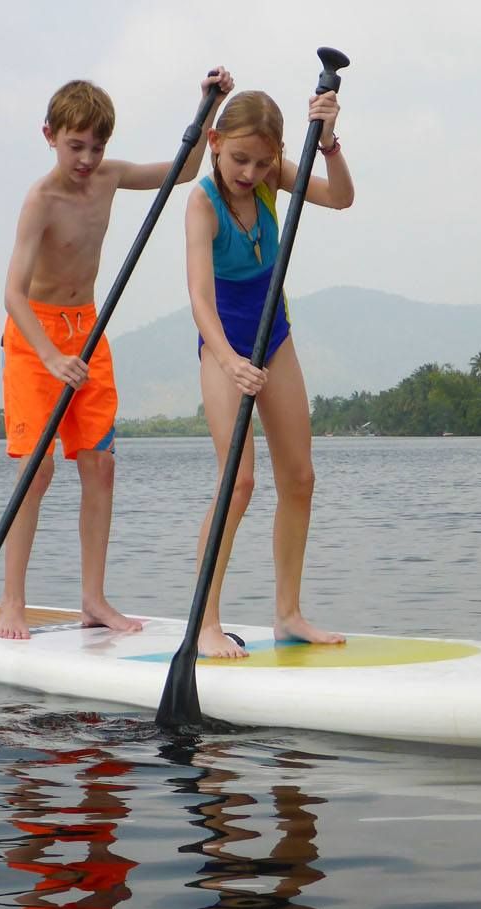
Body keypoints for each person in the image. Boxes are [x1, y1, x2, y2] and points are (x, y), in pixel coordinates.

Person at [0, 68, 235, 640]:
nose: (85, 158)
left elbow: (184, 171)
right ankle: (10, 603)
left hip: (90, 329)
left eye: (96, 146)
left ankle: (93, 599)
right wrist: (52, 357)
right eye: (75, 145)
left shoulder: (108, 177)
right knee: (37, 471)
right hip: (36, 338)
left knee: (100, 465)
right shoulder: (40, 200)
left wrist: (208, 105)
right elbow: (12, 292)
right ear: (49, 135)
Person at [184, 88, 355, 658]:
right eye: (239, 160)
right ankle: (205, 622)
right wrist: (231, 362)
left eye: (263, 161)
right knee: (239, 483)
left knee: (300, 478)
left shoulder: (272, 176)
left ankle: (287, 615)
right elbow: (200, 301)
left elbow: (342, 199)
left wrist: (328, 144)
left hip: (274, 334)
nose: (251, 172)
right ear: (214, 145)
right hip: (223, 344)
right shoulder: (202, 202)